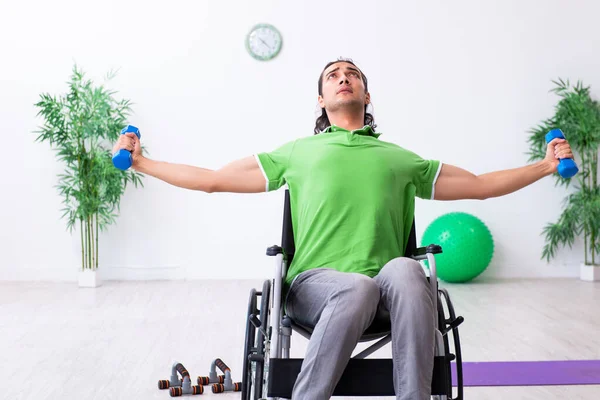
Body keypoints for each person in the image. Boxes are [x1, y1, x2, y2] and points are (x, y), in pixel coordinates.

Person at [113, 58, 573, 400]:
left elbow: (478, 187)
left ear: (367, 96)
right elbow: (212, 180)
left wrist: (546, 166)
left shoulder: (400, 158)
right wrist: (141, 162)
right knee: (355, 286)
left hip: (390, 294)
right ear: (321, 99)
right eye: (333, 75)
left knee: (410, 271)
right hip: (317, 287)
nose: (343, 77)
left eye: (352, 73)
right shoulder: (297, 153)